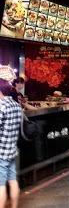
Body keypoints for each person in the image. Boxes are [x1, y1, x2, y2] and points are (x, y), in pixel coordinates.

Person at [0, 78, 22, 208]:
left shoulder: (1, 106)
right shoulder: (15, 105)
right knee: (13, 180)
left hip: (1, 152)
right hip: (12, 150)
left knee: (1, 185)